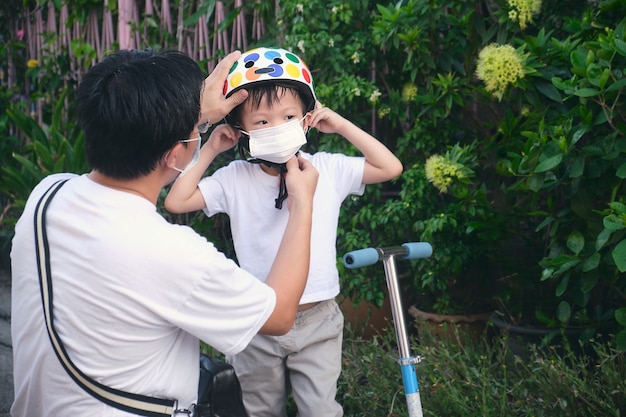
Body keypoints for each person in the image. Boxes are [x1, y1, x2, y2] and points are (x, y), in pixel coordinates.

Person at [10, 48, 319, 417]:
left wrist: (193, 118)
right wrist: (302, 204)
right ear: (175, 155)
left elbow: (155, 151)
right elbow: (281, 314)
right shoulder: (177, 255)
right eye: (195, 131)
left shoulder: (47, 196)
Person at [165, 46, 403, 417]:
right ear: (241, 129)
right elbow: (176, 201)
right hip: (257, 321)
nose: (276, 126)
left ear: (307, 118)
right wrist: (211, 147)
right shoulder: (235, 179)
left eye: (288, 115)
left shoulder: (327, 169)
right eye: (261, 122)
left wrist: (340, 124)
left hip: (319, 318)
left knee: (321, 410)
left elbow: (389, 167)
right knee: (262, 410)